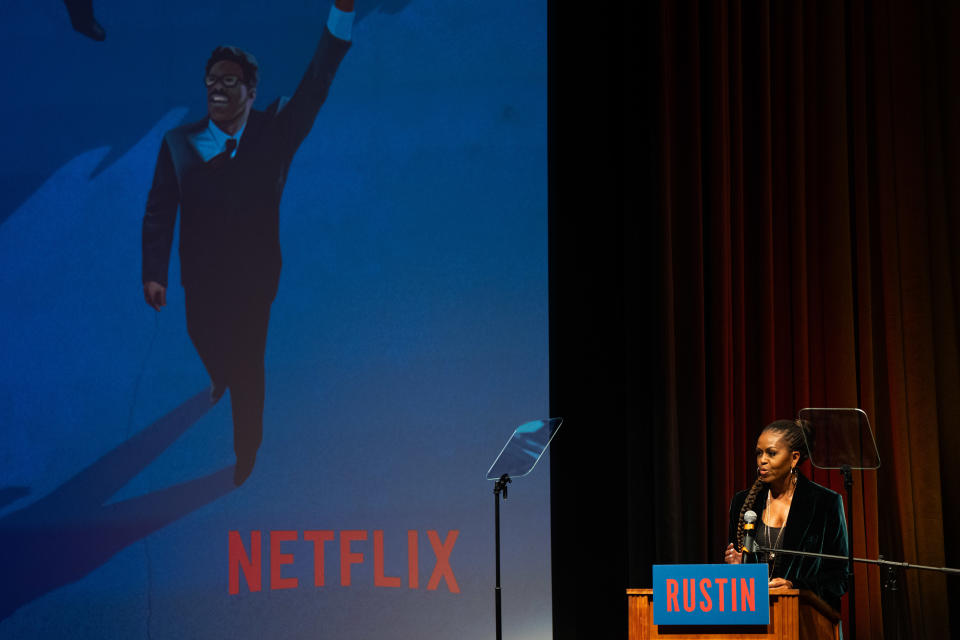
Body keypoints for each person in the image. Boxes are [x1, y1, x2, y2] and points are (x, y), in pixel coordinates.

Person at [141, 0, 355, 486]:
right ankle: (218, 374)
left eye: (228, 80)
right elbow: (159, 208)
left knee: (249, 364)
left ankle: (246, 449)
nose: (216, 87)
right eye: (211, 80)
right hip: (200, 277)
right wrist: (154, 272)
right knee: (203, 336)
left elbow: (318, 80)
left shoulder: (278, 131)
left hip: (256, 280)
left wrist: (341, 12)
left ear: (252, 91)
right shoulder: (178, 144)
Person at [724, 419, 849, 612]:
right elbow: (740, 580)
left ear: (794, 458)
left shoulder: (825, 503)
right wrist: (738, 568)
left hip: (805, 617)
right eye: (759, 453)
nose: (762, 460)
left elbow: (839, 578)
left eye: (771, 453)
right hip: (755, 615)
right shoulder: (742, 502)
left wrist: (795, 586)